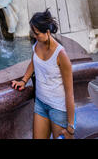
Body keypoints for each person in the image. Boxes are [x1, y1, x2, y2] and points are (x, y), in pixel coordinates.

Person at [11, 9, 76, 140]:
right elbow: (34, 62)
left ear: (47, 32)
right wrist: (23, 80)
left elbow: (70, 93)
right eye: (33, 33)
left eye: (37, 33)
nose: (34, 36)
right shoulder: (37, 44)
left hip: (58, 109)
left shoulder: (61, 55)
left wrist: (70, 126)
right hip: (40, 104)